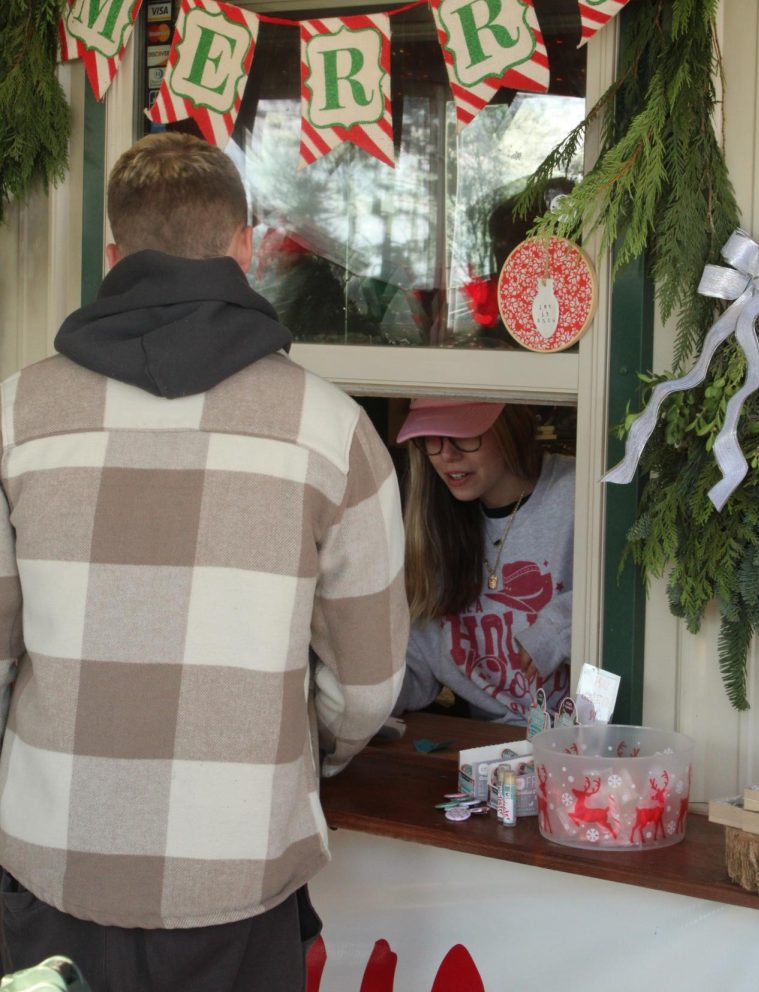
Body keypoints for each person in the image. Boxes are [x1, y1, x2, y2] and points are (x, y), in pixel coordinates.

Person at [0, 133, 408, 992]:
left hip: (54, 868)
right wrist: (294, 747)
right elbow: (367, 687)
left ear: (112, 256)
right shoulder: (330, 431)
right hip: (239, 874)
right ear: (242, 247)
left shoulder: (15, 418)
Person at [394, 398, 574, 725]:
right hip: (490, 754)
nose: (448, 454)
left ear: (509, 427)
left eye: (464, 434)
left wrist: (560, 626)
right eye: (432, 438)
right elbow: (415, 677)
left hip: (582, 750)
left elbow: (630, 594)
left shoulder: (577, 493)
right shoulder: (431, 530)